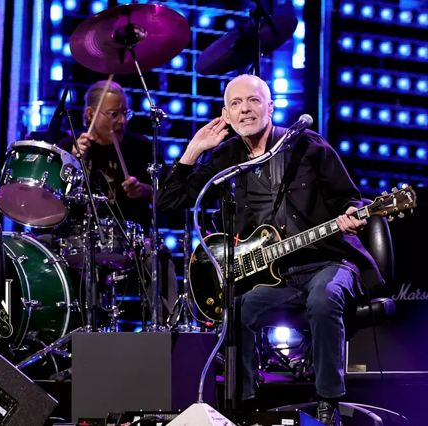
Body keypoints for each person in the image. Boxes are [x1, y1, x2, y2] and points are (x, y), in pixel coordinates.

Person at [158, 74, 384, 426]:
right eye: (236, 104)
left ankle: (327, 405)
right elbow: (169, 202)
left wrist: (352, 214)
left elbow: (349, 198)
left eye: (253, 100)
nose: (245, 109)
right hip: (278, 277)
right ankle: (247, 408)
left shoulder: (308, 146)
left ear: (270, 107)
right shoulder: (225, 158)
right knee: (237, 309)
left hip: (328, 261)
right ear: (226, 115)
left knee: (323, 299)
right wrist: (193, 150)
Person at [56, 80, 177, 323]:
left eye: (125, 112)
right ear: (90, 114)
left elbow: (170, 195)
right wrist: (71, 160)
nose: (122, 121)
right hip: (77, 240)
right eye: (114, 114)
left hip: (130, 242)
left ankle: (165, 333)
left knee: (160, 257)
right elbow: (51, 199)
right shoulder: (68, 147)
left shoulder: (141, 147)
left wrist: (144, 191)